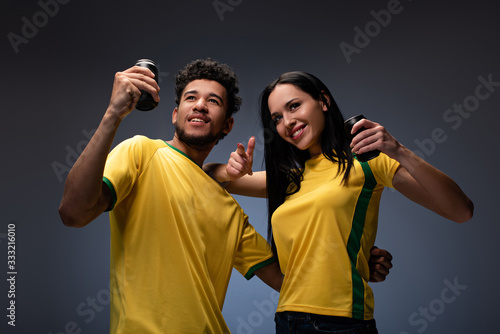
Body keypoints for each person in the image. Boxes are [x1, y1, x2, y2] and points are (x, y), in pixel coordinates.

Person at [58, 60, 393, 333]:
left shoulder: (230, 212)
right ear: (175, 114)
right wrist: (113, 115)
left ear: (227, 125)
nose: (201, 105)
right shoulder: (141, 153)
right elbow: (74, 213)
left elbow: (292, 282)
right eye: (191, 98)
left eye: (213, 101)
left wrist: (354, 259)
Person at [208, 71, 474, 333]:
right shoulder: (290, 178)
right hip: (287, 320)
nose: (287, 122)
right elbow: (208, 173)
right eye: (277, 118)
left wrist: (398, 150)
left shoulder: (368, 161)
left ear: (323, 101)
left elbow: (461, 211)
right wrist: (232, 171)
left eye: (294, 106)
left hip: (341, 322)